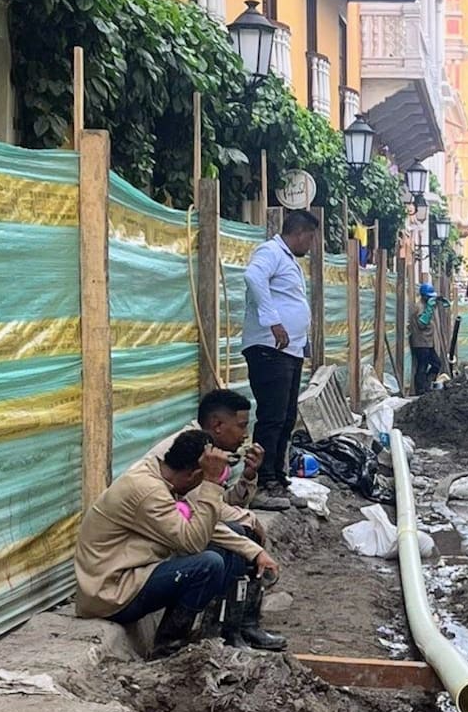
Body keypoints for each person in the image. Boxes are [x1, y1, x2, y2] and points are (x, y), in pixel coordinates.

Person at [74, 430, 281, 659]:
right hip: (110, 593)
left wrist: (255, 552)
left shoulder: (160, 477)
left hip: (127, 578)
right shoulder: (148, 490)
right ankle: (168, 649)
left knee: (225, 548)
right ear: (195, 475)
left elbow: (204, 526)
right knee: (208, 564)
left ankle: (218, 632)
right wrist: (211, 484)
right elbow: (193, 541)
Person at [142, 389, 288, 650]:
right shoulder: (192, 451)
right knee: (238, 535)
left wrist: (248, 477)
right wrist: (249, 520)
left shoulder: (213, 450)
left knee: (242, 531)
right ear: (217, 425)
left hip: (182, 528)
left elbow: (219, 503)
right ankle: (217, 631)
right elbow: (201, 510)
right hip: (162, 539)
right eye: (241, 426)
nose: (245, 435)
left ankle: (239, 626)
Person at [242, 209, 318, 511]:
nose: (310, 245)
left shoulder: (287, 259)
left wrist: (301, 341)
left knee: (286, 417)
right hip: (268, 349)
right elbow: (253, 276)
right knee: (272, 417)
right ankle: (262, 484)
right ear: (298, 234)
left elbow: (290, 301)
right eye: (310, 238)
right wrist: (272, 321)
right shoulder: (271, 251)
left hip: (288, 351)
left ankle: (277, 478)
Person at [409, 283, 444, 395]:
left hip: (427, 342)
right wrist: (429, 309)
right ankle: (421, 389)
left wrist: (437, 302)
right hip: (421, 342)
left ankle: (426, 385)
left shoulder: (425, 305)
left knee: (436, 364)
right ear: (423, 296)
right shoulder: (419, 307)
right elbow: (422, 324)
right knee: (422, 366)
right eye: (429, 296)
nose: (430, 298)